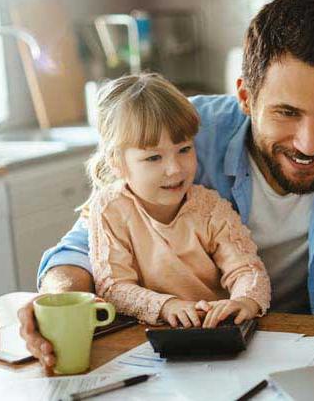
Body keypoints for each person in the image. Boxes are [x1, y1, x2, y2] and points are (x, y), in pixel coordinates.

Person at [19, 0, 314, 368]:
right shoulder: (182, 139)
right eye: (287, 113)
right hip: (196, 359)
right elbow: (82, 246)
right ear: (244, 96)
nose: (309, 144)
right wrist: (56, 299)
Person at [83, 73, 270, 329]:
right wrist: (167, 306)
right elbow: (113, 286)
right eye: (153, 158)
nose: (174, 169)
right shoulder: (109, 209)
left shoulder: (210, 208)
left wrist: (244, 301)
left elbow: (248, 270)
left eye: (184, 150)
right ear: (117, 162)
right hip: (150, 337)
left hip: (217, 332)